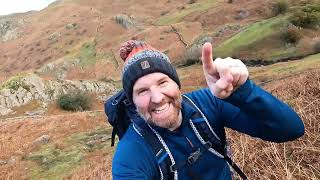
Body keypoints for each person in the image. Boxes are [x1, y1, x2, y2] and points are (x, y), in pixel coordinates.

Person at [110, 40, 304, 180]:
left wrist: (243, 91)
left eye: (162, 82)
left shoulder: (208, 104)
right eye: (142, 91)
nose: (157, 98)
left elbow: (290, 129)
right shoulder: (130, 155)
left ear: (177, 84)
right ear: (133, 102)